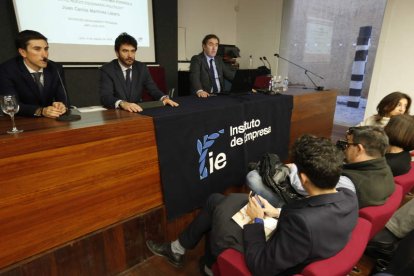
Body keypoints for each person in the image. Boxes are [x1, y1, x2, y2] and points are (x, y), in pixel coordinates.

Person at [146, 135, 358, 275]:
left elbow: (261, 266)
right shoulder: (348, 195)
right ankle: (193, 257)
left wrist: (256, 220)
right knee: (218, 201)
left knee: (215, 203)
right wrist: (275, 211)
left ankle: (201, 260)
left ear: (303, 179)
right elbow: (309, 213)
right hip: (296, 241)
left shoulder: (302, 223)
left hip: (274, 257)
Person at [247, 126, 395, 209]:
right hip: (334, 207)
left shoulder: (352, 183)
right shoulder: (384, 168)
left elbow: (305, 188)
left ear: (359, 148)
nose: (344, 148)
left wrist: (293, 169)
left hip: (308, 207)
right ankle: (271, 169)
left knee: (253, 178)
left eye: (348, 145)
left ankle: (268, 172)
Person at [99, 33, 178, 112]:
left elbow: (153, 89)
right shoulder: (107, 69)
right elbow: (106, 97)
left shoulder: (141, 68)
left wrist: (164, 98)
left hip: (137, 111)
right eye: (125, 51)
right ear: (117, 53)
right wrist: (122, 103)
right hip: (117, 112)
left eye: (132, 51)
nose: (130, 55)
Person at [0, 30, 67, 118]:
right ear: (23, 52)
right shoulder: (6, 70)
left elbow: (64, 99)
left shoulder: (55, 68)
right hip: (20, 122)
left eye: (46, 49)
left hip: (50, 121)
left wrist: (61, 106)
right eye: (37, 49)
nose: (45, 55)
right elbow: (10, 105)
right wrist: (40, 111)